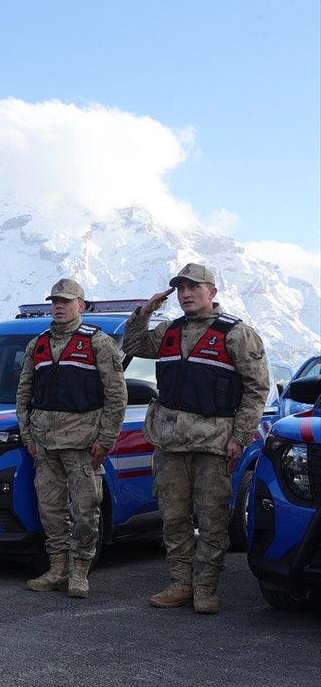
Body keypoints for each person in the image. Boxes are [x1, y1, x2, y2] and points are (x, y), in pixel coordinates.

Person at [123, 263, 269, 614]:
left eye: (194, 287)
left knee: (212, 518)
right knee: (173, 517)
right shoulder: (168, 331)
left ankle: (205, 588)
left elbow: (256, 388)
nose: (186, 294)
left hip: (213, 443)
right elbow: (131, 344)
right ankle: (180, 584)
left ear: (212, 292)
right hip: (170, 442)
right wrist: (145, 312)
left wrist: (241, 436)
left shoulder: (236, 333)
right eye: (181, 288)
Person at [16, 278, 126, 598]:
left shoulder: (98, 343)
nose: (59, 307)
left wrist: (106, 438)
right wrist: (28, 436)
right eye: (54, 302)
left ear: (82, 306)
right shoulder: (37, 343)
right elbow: (24, 393)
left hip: (82, 444)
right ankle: (57, 568)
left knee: (86, 510)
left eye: (66, 301)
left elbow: (116, 395)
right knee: (50, 510)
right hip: (45, 444)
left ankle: (80, 571)